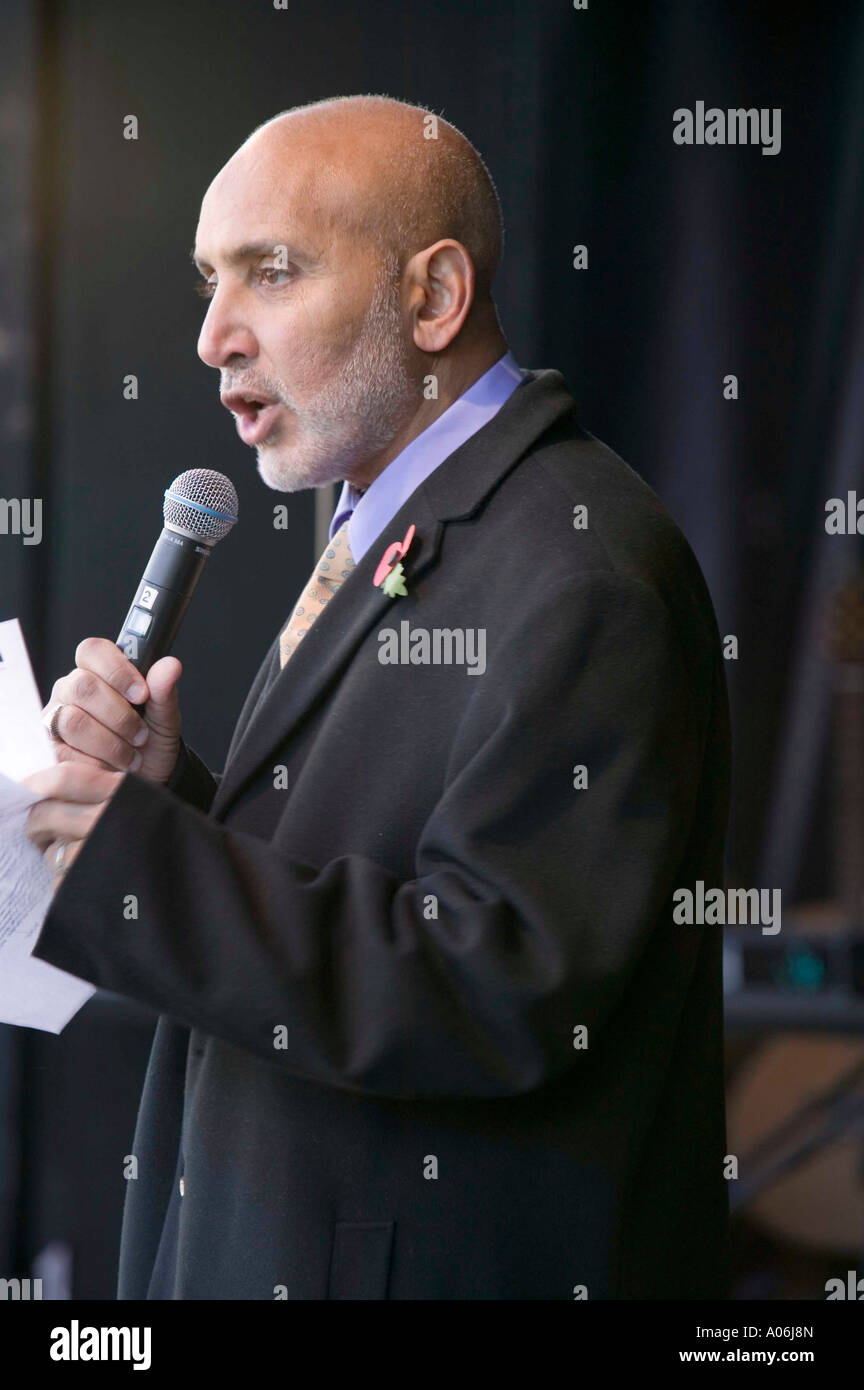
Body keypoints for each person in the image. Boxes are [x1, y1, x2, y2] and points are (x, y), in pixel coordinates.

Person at [24, 94, 731, 1300]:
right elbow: (360, 868)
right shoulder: (388, 515)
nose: (213, 337)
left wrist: (142, 865)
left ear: (433, 298)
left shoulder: (583, 572)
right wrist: (169, 802)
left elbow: (497, 984)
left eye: (272, 274)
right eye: (210, 281)